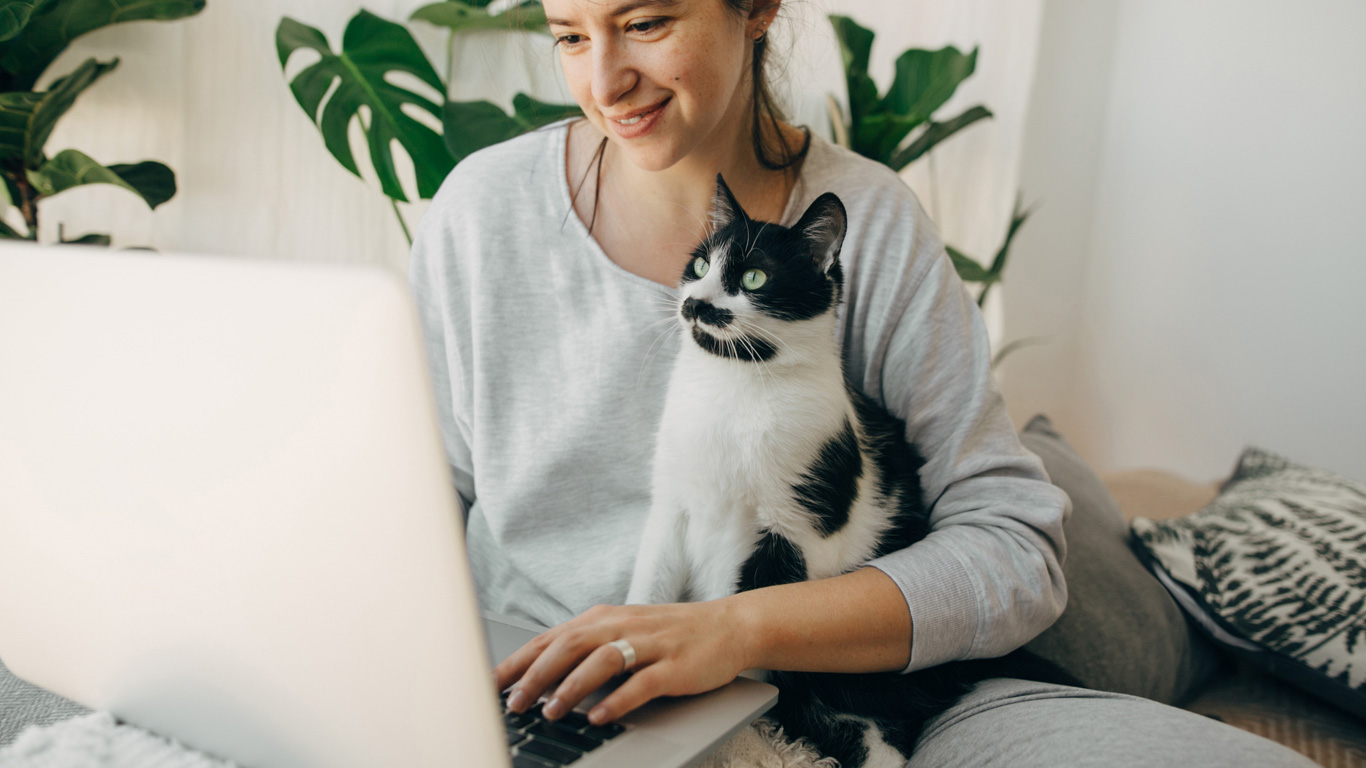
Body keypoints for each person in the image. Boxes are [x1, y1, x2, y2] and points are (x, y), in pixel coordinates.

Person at [407, 0, 1315, 764]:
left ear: (757, 9)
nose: (603, 83)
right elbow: (409, 508)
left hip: (860, 684)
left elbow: (1014, 548)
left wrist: (738, 631)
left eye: (644, 22)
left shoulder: (869, 224)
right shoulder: (482, 213)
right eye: (569, 34)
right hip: (548, 695)